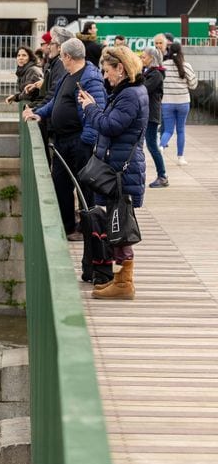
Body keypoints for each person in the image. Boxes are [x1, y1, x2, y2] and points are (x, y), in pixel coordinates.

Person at [77, 46, 149, 300]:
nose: (105, 76)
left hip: (122, 170)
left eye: (107, 71)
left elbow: (110, 126)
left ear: (121, 68)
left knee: (121, 226)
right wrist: (96, 106)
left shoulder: (129, 95)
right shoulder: (129, 91)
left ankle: (124, 282)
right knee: (118, 224)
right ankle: (120, 278)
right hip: (120, 167)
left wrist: (90, 108)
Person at [22, 37, 107, 241]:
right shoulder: (68, 76)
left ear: (68, 56)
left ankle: (87, 229)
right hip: (63, 140)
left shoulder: (90, 78)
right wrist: (38, 113)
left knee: (84, 186)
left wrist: (86, 141)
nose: (60, 60)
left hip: (79, 141)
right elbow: (55, 102)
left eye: (61, 56)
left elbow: (97, 109)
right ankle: (67, 226)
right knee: (61, 183)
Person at [159, 41, 198, 165]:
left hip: (167, 102)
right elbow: (193, 85)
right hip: (183, 102)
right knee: (181, 130)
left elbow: (159, 83)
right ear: (181, 52)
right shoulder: (186, 65)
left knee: (168, 130)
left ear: (169, 52)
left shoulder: (163, 65)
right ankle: (180, 158)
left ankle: (161, 146)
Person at [140, 46, 168, 187]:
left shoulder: (155, 74)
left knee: (152, 145)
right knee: (149, 145)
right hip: (147, 113)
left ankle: (162, 176)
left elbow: (143, 89)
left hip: (151, 114)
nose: (141, 58)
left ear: (151, 58)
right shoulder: (149, 72)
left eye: (144, 56)